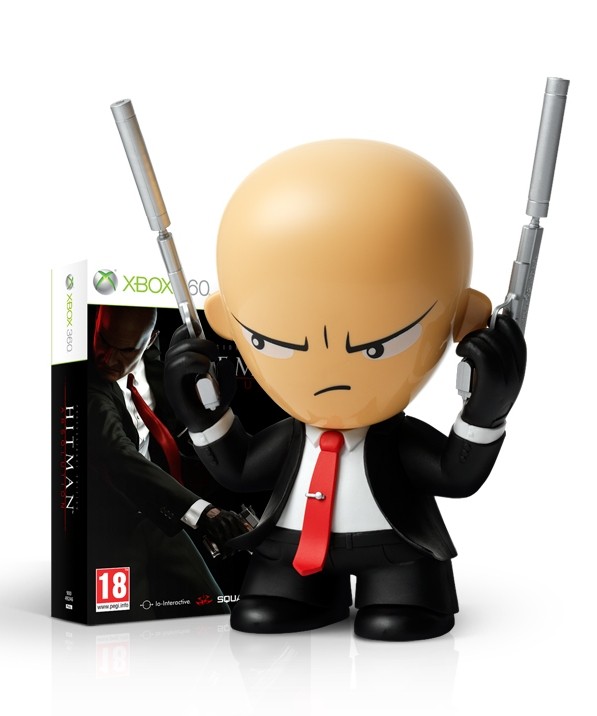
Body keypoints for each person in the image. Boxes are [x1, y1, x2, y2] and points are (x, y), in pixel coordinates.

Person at [164, 140, 526, 640]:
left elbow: (455, 475)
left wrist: (485, 412)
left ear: (462, 319)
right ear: (225, 321)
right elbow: (240, 470)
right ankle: (302, 595)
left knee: (401, 613)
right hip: (289, 555)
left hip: (398, 554)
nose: (330, 370)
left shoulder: (396, 443)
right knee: (266, 610)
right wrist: (202, 415)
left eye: (377, 346)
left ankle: (401, 595)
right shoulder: (290, 438)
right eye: (277, 343)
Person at [88, 304, 247, 620]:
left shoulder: (154, 361)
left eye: (125, 350)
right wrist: (204, 513)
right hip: (110, 527)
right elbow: (120, 455)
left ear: (150, 341)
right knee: (123, 629)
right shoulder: (90, 385)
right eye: (103, 340)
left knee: (216, 613)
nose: (107, 358)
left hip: (158, 513)